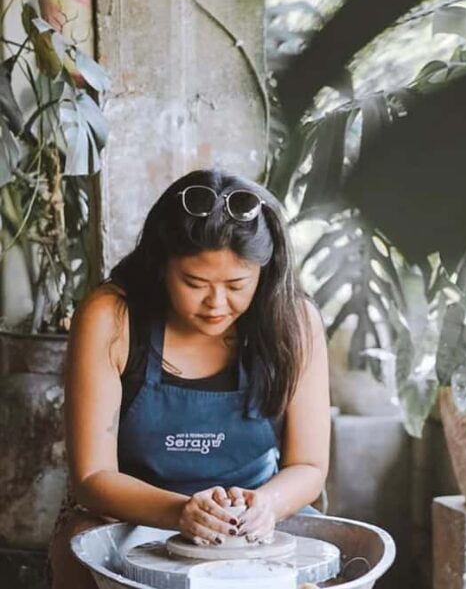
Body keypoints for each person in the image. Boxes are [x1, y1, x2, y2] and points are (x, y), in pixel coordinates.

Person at [48, 169, 330, 588]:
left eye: (237, 284)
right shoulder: (112, 317)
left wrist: (265, 505)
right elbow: (91, 477)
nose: (216, 303)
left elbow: (308, 465)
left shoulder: (294, 321)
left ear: (262, 273)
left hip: (253, 524)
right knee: (81, 548)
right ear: (162, 266)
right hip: (129, 518)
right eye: (194, 283)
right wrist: (182, 513)